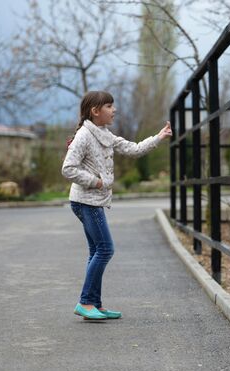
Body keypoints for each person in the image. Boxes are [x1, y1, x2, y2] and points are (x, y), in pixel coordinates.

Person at [62, 91, 172, 320]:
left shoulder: (104, 133)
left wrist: (159, 137)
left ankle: (94, 303)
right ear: (95, 111)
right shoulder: (84, 136)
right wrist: (97, 181)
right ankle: (85, 302)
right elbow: (68, 168)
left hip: (91, 201)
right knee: (105, 249)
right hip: (86, 202)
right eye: (110, 106)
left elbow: (133, 149)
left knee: (96, 251)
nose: (115, 110)